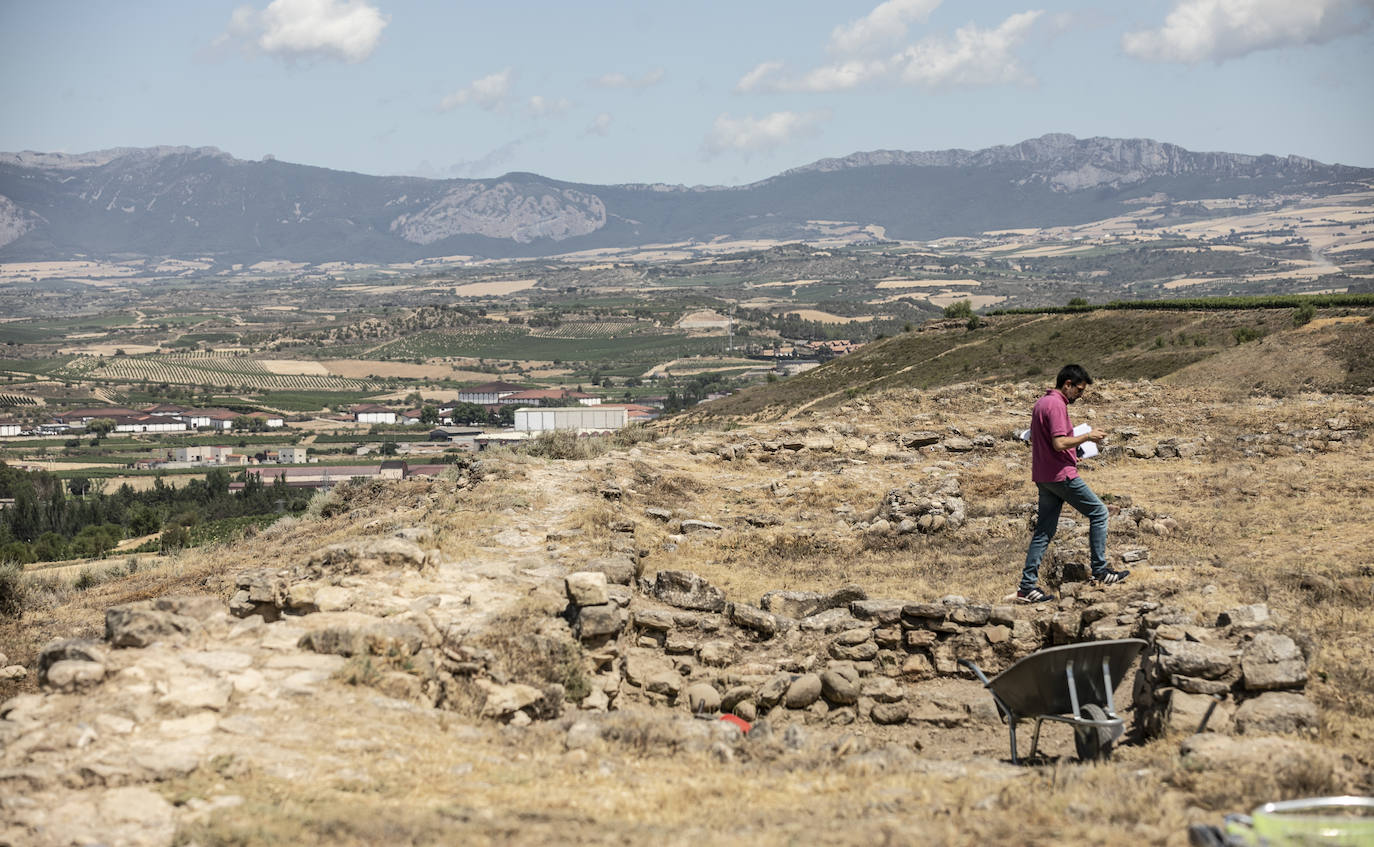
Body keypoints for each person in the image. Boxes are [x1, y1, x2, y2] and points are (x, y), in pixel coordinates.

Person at [1016, 364, 1129, 603]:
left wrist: (1071, 451)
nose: (1080, 395)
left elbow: (1044, 441)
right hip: (1061, 475)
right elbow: (1058, 443)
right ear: (1067, 384)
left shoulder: (1041, 403)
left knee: (1044, 531)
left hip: (1044, 475)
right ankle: (1100, 570)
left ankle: (1027, 586)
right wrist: (1087, 436)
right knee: (1099, 513)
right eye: (1078, 390)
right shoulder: (1057, 405)